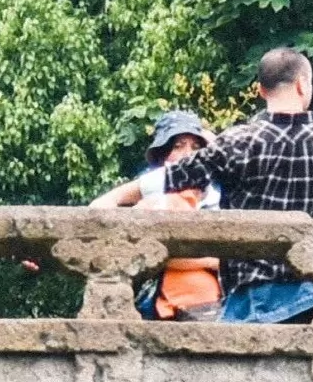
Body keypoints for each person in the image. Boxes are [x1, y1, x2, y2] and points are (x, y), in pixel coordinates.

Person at [156, 50, 313, 322]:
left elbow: (171, 178)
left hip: (249, 300)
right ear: (303, 84)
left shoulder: (237, 142)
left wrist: (111, 199)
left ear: (260, 90)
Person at [95, 109, 225, 320]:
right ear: (164, 155)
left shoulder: (219, 192)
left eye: (195, 147)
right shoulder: (149, 192)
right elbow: (142, 251)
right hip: (156, 296)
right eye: (178, 146)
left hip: (217, 298)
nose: (188, 154)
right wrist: (210, 260)